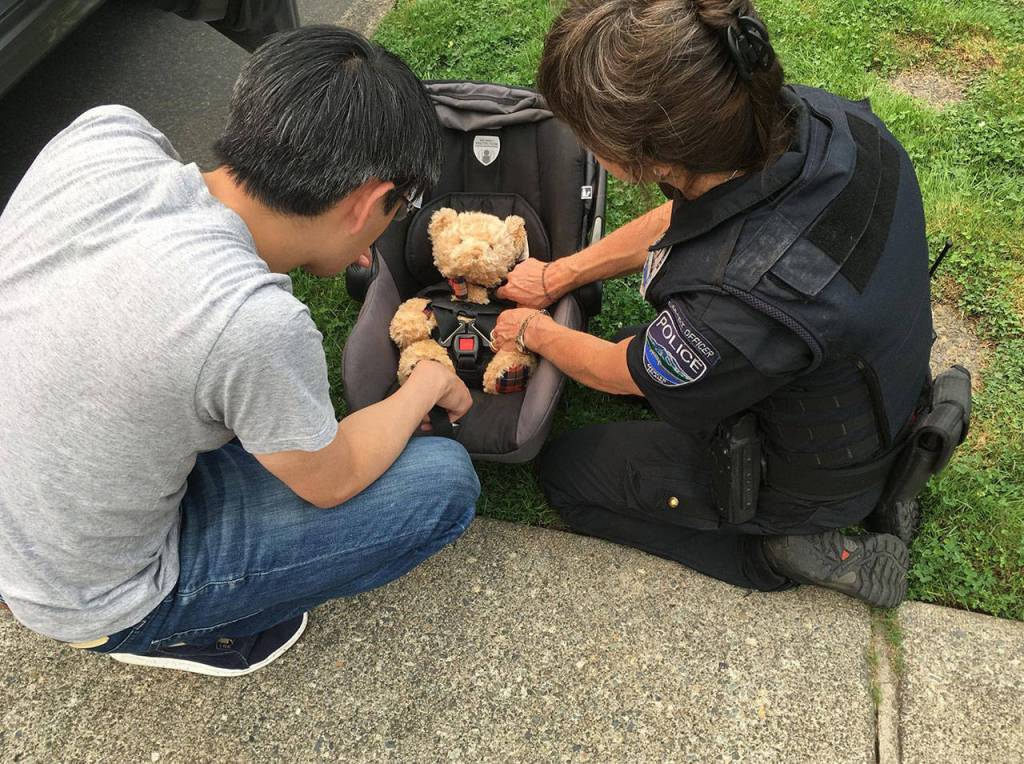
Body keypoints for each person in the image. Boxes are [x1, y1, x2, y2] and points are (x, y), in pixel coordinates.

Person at [0, 26, 479, 677]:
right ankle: (178, 633)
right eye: (396, 208)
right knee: (442, 485)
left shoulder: (104, 135)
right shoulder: (251, 322)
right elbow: (335, 479)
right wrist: (426, 382)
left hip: (26, 512)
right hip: (87, 596)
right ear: (366, 201)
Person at [492, 0, 934, 608]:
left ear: (649, 159)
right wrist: (559, 276)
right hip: (881, 391)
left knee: (568, 472)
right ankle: (876, 491)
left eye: (586, 134)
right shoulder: (813, 123)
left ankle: (777, 550)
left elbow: (623, 369)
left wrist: (534, 331)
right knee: (635, 348)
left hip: (813, 476)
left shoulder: (741, 303)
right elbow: (684, 217)